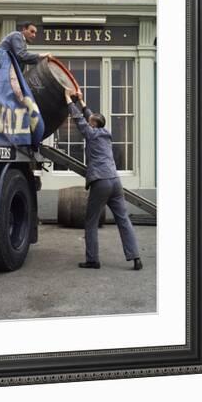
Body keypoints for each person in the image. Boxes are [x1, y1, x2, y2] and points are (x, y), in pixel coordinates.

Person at [64, 88, 143, 271]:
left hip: (101, 181)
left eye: (90, 122)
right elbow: (90, 116)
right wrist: (82, 101)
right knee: (123, 219)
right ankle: (135, 257)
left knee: (91, 221)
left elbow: (78, 118)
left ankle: (93, 260)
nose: (88, 121)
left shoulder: (90, 133)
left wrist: (68, 99)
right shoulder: (105, 132)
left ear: (93, 125)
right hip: (115, 181)